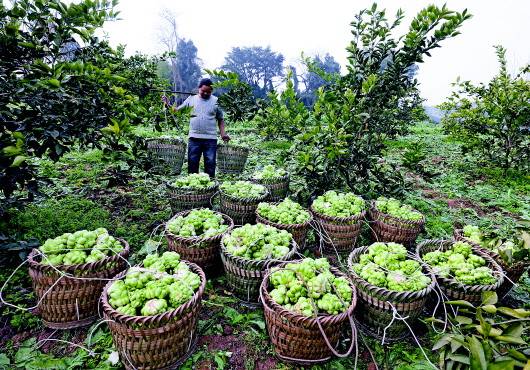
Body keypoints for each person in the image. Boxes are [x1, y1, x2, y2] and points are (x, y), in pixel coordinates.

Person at [168, 78, 230, 177]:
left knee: (210, 163)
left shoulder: (216, 101)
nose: (205, 93)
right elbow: (177, 111)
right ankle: (193, 187)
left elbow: (220, 119)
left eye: (208, 92)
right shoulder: (191, 99)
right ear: (198, 89)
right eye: (203, 91)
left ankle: (210, 185)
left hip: (210, 139)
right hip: (194, 138)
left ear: (212, 91)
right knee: (192, 163)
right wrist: (167, 104)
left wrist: (223, 134)